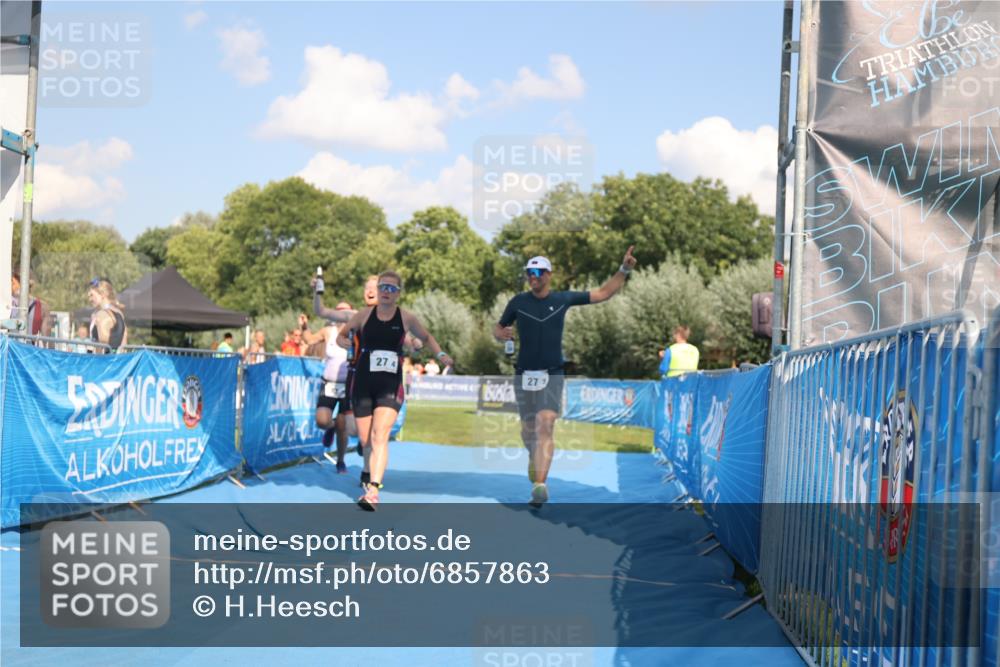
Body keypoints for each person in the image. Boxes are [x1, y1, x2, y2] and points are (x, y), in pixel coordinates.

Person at [493, 246, 637, 507]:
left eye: (537, 272)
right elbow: (499, 326)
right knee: (528, 430)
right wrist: (499, 333)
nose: (532, 276)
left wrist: (624, 269)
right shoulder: (518, 302)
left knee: (545, 423)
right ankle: (533, 456)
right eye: (529, 272)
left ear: (549, 274)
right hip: (524, 373)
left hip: (553, 372)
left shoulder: (562, 299)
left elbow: (604, 293)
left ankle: (540, 485)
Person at [337, 270, 453, 511]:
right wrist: (344, 341)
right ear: (378, 290)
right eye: (383, 287)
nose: (386, 292)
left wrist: (439, 354)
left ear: (399, 293)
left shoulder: (406, 318)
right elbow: (341, 335)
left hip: (390, 386)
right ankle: (367, 470)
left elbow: (426, 336)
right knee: (366, 438)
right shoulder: (363, 315)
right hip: (363, 383)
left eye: (392, 288)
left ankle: (373, 490)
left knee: (380, 435)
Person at [300, 303, 356, 474]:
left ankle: (340, 461)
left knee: (343, 425)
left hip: (348, 384)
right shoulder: (328, 331)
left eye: (345, 311)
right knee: (322, 421)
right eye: (338, 311)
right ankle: (330, 428)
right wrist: (304, 326)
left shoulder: (356, 332)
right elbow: (309, 340)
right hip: (329, 383)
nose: (341, 315)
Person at [86, 277, 128, 353]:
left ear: (102, 294)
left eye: (92, 295)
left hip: (103, 361)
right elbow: (124, 341)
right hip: (119, 360)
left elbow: (102, 344)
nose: (90, 299)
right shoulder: (118, 312)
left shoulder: (101, 314)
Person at [11, 267, 52, 336]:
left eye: (13, 281)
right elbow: (47, 340)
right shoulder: (42, 306)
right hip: (24, 345)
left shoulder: (42, 307)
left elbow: (47, 338)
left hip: (14, 345)